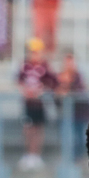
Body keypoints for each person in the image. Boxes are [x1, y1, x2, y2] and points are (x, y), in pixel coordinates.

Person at [17, 38, 58, 170]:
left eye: (36, 52)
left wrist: (41, 90)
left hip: (40, 104)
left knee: (38, 130)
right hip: (28, 103)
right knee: (28, 129)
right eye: (32, 52)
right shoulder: (25, 66)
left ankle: (36, 155)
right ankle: (28, 154)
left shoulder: (45, 67)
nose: (34, 54)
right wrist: (25, 91)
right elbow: (19, 81)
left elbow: (53, 84)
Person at [56, 51, 89, 159]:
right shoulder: (59, 78)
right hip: (67, 114)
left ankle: (76, 159)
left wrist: (67, 86)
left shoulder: (78, 77)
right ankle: (68, 159)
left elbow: (79, 92)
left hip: (80, 114)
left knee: (79, 139)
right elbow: (57, 97)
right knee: (67, 138)